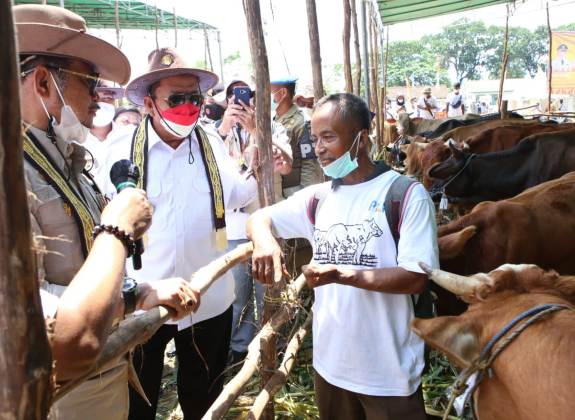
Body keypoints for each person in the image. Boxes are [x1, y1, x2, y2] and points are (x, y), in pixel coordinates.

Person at [14, 5, 200, 419]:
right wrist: (117, 229)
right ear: (44, 82)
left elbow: (79, 274)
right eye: (89, 82)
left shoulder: (68, 161)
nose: (99, 98)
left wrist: (137, 293)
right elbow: (61, 335)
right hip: (58, 396)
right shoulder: (10, 178)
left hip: (104, 375)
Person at [247, 93, 439, 420]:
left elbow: (417, 277)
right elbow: (259, 218)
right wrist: (265, 241)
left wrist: (341, 275)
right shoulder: (319, 198)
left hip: (388, 373)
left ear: (361, 139)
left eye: (329, 137)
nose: (318, 148)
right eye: (314, 138)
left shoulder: (405, 195)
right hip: (330, 365)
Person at [112, 47, 257, 420]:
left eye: (195, 98)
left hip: (207, 299)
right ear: (148, 103)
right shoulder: (119, 150)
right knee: (138, 402)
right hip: (142, 299)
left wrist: (258, 166)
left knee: (203, 396)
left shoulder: (211, 143)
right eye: (177, 98)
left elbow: (238, 194)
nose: (189, 107)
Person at [271, 76, 323, 198]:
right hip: (278, 189)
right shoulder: (273, 119)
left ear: (283, 92)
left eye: (269, 91)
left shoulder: (302, 122)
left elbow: (310, 164)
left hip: (294, 191)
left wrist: (307, 197)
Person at [85, 80, 135, 190]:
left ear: (115, 101)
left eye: (107, 98)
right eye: (94, 98)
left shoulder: (133, 137)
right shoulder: (73, 140)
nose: (100, 104)